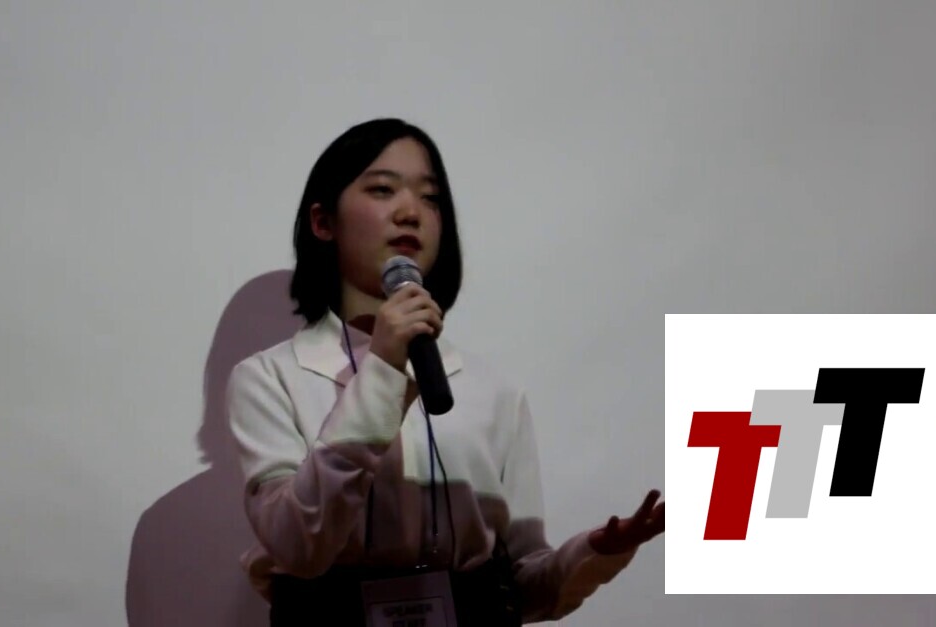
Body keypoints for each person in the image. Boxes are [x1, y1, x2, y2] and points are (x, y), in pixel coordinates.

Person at [226, 118, 665, 625]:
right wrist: (384, 366)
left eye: (430, 198)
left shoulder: (493, 391)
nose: (410, 212)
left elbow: (524, 588)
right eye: (383, 189)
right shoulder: (270, 379)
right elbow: (299, 546)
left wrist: (595, 554)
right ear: (323, 221)